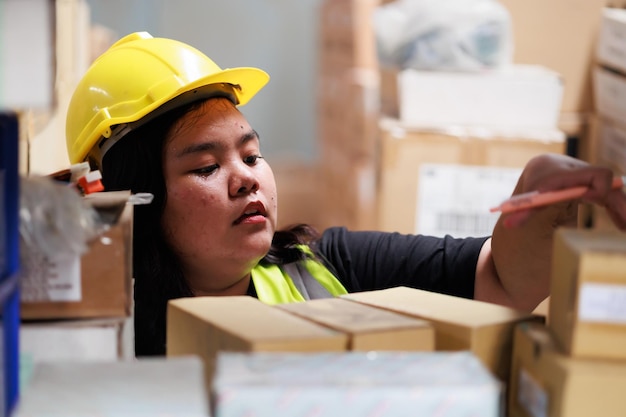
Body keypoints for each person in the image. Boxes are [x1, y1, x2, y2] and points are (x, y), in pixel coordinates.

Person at [65, 32, 626, 356]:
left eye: (253, 155)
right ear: (132, 199)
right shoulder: (105, 332)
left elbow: (504, 281)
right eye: (207, 166)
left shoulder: (329, 268)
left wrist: (541, 190)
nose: (247, 178)